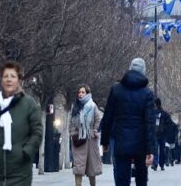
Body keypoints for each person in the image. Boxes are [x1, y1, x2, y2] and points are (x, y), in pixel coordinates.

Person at [0, 61, 43, 186]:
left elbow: (37, 132)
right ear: (1, 80)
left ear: (19, 80)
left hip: (20, 173)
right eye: (6, 76)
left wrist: (27, 152)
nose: (9, 80)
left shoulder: (29, 104)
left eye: (13, 76)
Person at [100, 58, 156, 186]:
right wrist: (150, 150)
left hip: (121, 139)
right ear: (143, 72)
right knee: (141, 179)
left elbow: (108, 117)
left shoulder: (116, 90)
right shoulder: (147, 93)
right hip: (140, 142)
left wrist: (105, 141)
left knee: (122, 178)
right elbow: (150, 123)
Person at [70, 85, 103, 186]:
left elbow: (98, 119)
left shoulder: (92, 106)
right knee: (78, 168)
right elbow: (71, 122)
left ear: (87, 93)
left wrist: (93, 131)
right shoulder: (75, 106)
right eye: (79, 92)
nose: (80, 94)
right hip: (79, 140)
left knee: (91, 168)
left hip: (90, 141)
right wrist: (73, 133)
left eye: (83, 92)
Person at [152, 98, 173, 171]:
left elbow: (170, 123)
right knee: (155, 149)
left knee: (162, 150)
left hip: (162, 134)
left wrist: (164, 129)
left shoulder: (164, 113)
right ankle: (155, 164)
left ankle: (161, 164)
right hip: (155, 134)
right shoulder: (153, 113)